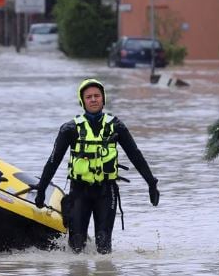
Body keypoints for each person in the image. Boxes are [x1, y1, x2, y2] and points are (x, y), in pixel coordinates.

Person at [33, 78, 160, 254]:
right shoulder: (69, 129)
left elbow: (135, 155)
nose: (93, 99)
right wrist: (41, 189)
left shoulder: (116, 126)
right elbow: (53, 161)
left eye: (97, 96)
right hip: (79, 192)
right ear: (82, 101)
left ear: (103, 99)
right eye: (89, 97)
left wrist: (151, 182)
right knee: (76, 245)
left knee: (104, 245)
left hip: (106, 192)